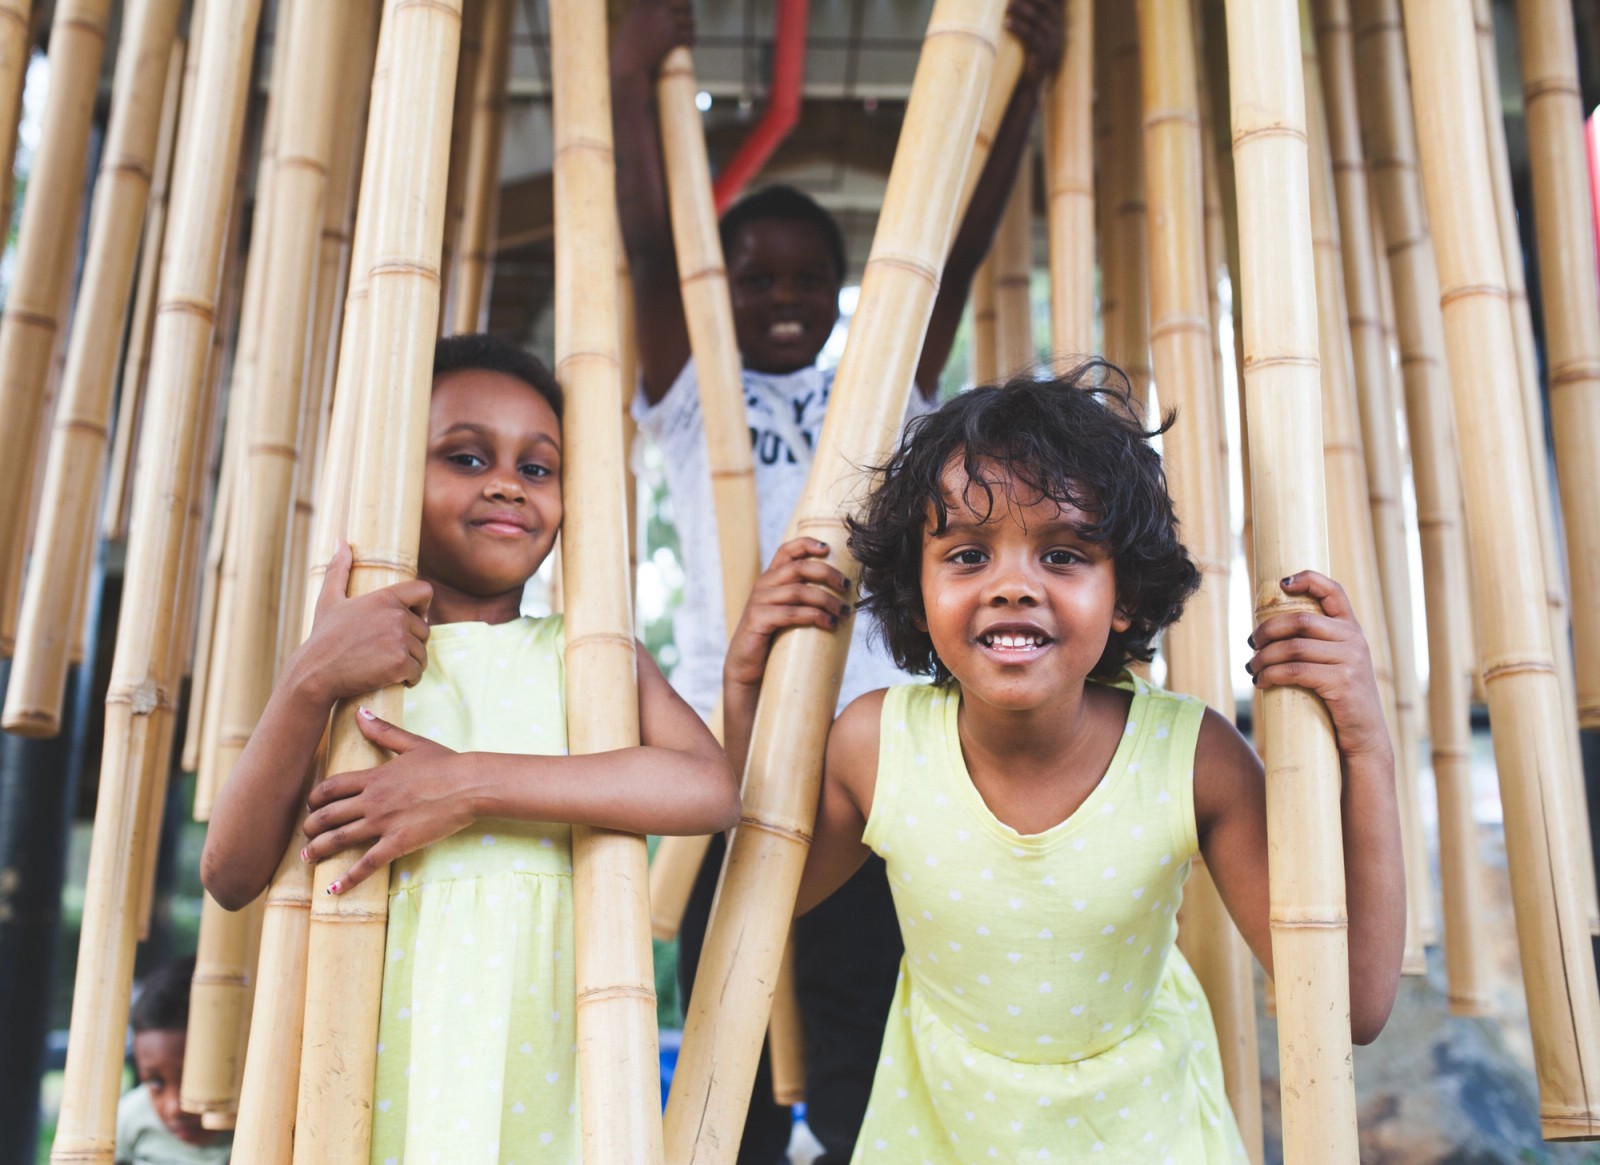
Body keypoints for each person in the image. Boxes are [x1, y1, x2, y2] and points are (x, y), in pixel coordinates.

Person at [725, 365, 1406, 1162]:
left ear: (1124, 594)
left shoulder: (1192, 758)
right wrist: (746, 690)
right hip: (940, 1136)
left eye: (1063, 554)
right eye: (970, 554)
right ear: (916, 586)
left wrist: (1366, 746)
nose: (1014, 585)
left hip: (1148, 1136)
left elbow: (1349, 1002)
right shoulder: (878, 747)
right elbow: (759, 896)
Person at [611, 1, 1064, 1158]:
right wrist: (629, 69)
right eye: (754, 275)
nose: (779, 297)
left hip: (875, 759)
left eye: (806, 278)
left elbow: (952, 245)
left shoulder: (879, 389)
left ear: (838, 290)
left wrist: (1016, 91)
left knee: (866, 1010)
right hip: (741, 744)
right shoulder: (690, 382)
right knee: (735, 1022)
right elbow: (655, 250)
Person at [200, 334, 741, 1162]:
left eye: (537, 467)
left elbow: (707, 788)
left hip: (560, 1053)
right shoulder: (349, 670)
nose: (504, 484)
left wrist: (468, 786)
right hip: (373, 1060)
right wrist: (311, 676)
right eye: (465, 456)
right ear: (393, 476)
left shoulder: (586, 658)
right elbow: (232, 872)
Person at [115, 956, 233, 1164]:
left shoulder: (272, 1133)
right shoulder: (131, 1119)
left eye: (193, 1080)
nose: (174, 1108)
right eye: (156, 1082)